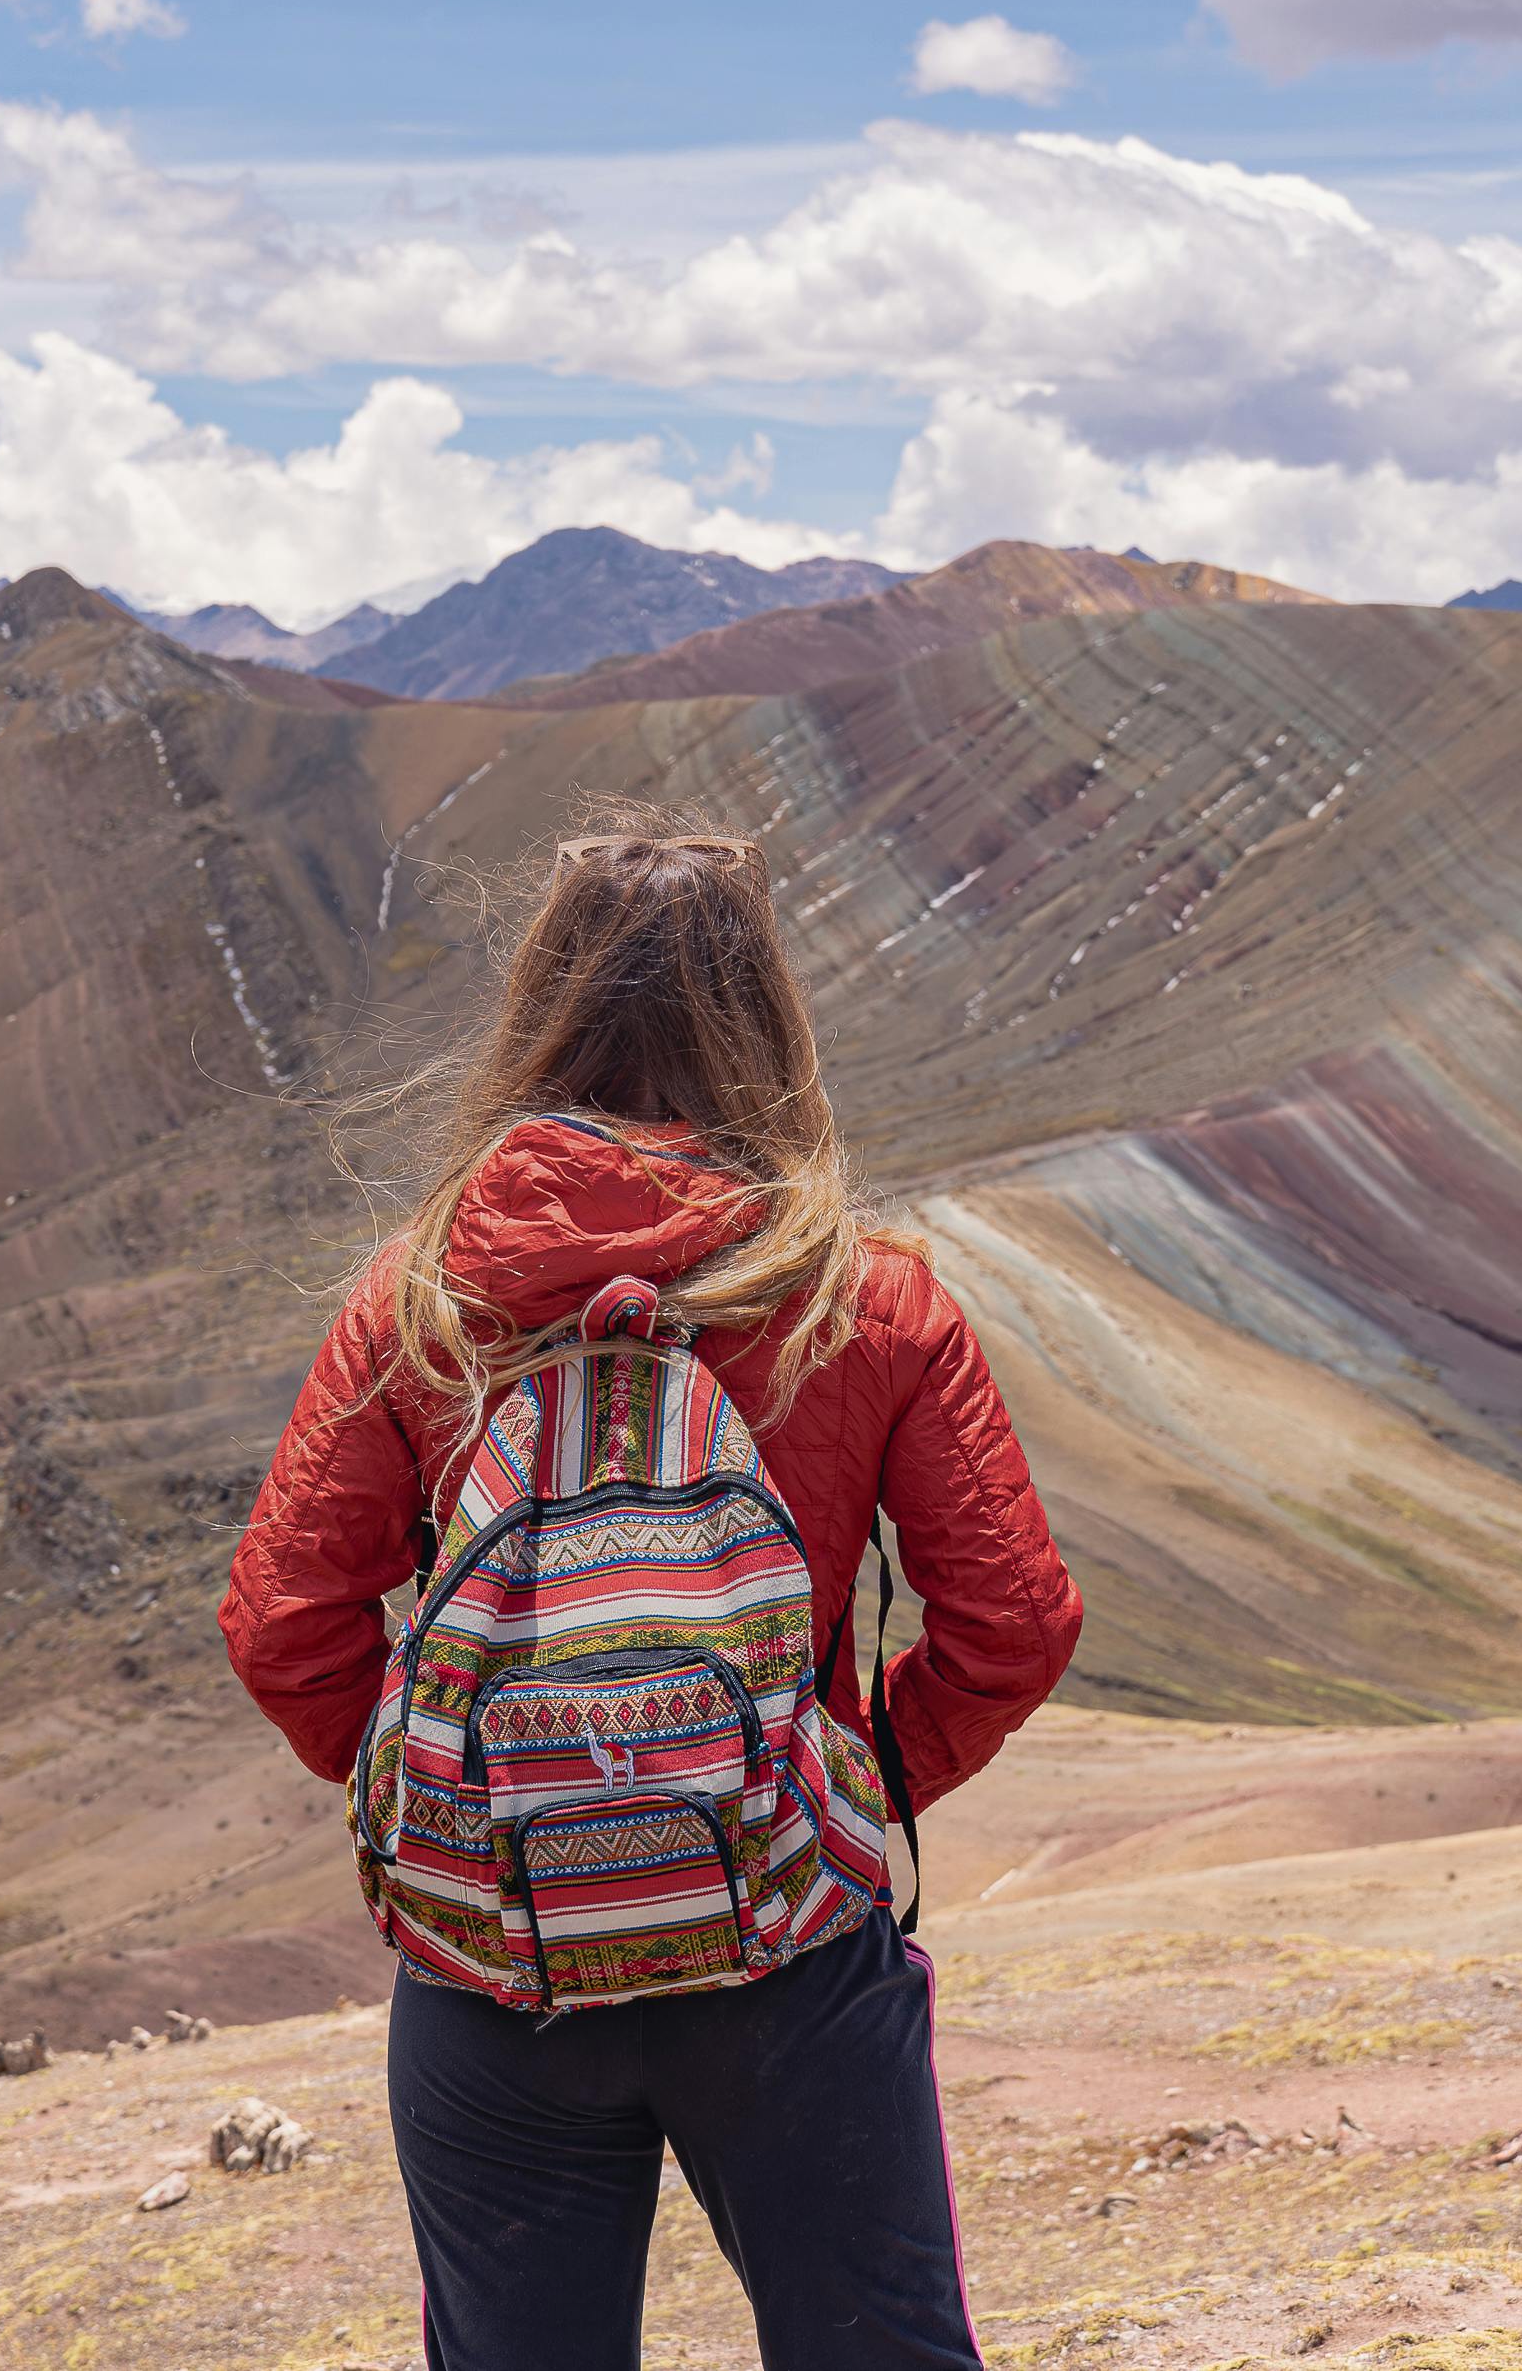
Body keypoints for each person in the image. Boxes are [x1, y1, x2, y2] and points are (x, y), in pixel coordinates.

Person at [219, 808, 1084, 2370]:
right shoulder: (869, 1302)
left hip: (496, 1975)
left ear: (539, 1011)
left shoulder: (418, 1299)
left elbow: (284, 1623)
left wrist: (466, 1807)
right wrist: (831, 1785)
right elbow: (1012, 1623)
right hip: (790, 1954)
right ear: (769, 1022)